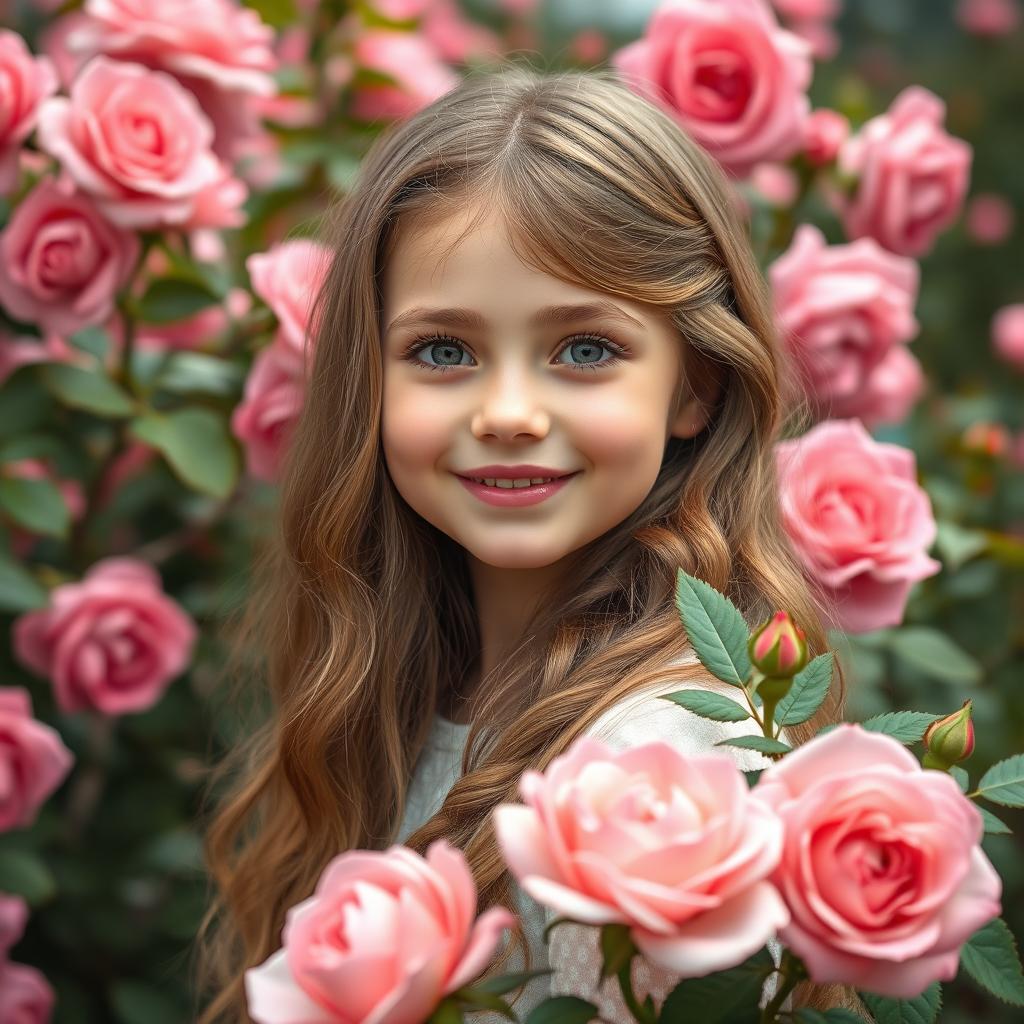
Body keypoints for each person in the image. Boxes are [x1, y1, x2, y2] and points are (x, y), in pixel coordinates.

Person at [195, 63, 864, 1022]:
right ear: (369, 378)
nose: (508, 413)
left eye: (585, 349)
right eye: (444, 351)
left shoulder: (656, 768)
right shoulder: (397, 693)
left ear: (695, 385)